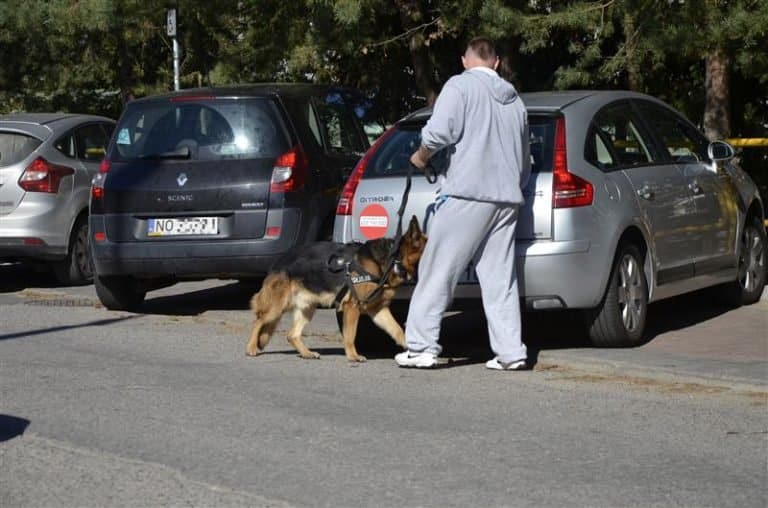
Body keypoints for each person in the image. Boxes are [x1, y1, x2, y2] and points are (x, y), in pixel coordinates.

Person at [395, 37, 531, 370]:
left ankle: (421, 347)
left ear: (464, 61)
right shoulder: (516, 103)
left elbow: (440, 132)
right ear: (496, 63)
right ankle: (511, 352)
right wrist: (515, 187)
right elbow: (525, 160)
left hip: (468, 193)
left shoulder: (459, 86)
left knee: (437, 269)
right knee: (500, 279)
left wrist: (420, 155)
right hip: (507, 198)